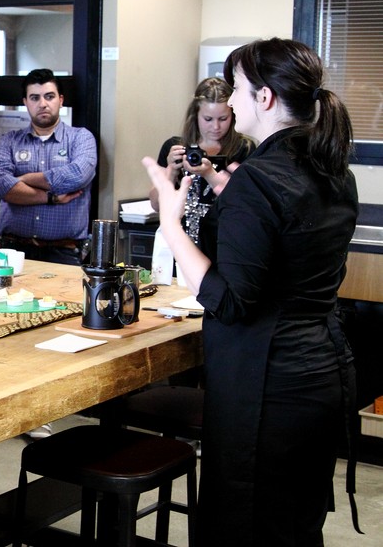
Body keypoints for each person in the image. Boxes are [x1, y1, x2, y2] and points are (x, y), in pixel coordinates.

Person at [143, 38, 359, 546]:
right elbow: (290, 251)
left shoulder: (259, 179)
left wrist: (171, 222)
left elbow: (229, 298)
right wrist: (226, 192)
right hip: (321, 370)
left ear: (264, 99)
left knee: (247, 524)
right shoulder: (334, 170)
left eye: (238, 90)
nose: (231, 104)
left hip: (269, 383)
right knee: (296, 523)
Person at [0, 69, 97, 266]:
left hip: (65, 252)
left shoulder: (81, 138)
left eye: (49, 96)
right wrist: (51, 198)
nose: (43, 104)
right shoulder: (10, 141)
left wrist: (23, 179)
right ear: (25, 102)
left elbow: (77, 175)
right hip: (13, 251)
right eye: (35, 98)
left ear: (60, 100)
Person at [148, 77, 253, 243]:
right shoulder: (175, 147)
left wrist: (210, 174)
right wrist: (171, 171)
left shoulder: (243, 148)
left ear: (232, 115)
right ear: (196, 115)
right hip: (180, 241)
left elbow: (245, 205)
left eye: (223, 119)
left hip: (225, 241)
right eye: (208, 119)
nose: (216, 127)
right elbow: (156, 205)